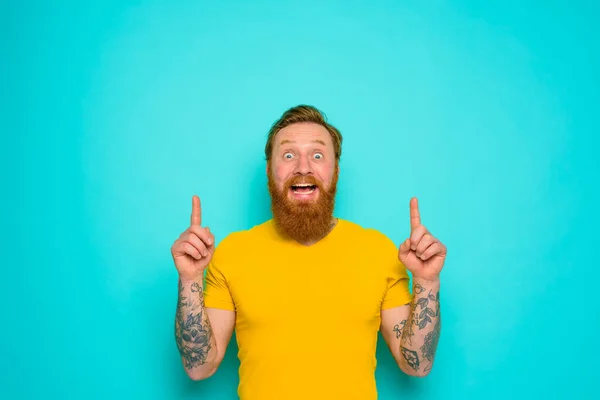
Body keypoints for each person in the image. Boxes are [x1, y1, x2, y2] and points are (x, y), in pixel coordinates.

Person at [170, 105, 447, 399]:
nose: (303, 167)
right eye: (288, 155)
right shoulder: (233, 252)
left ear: (335, 170)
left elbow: (417, 364)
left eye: (317, 155)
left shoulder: (378, 251)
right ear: (269, 170)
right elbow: (199, 366)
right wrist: (190, 279)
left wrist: (427, 283)